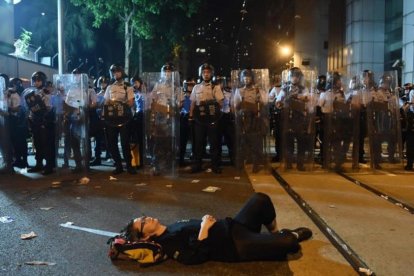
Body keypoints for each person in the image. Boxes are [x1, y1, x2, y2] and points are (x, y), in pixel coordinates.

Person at [123, 192, 312, 265]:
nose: (146, 218)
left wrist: (206, 222)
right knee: (290, 242)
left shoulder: (171, 226)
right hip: (235, 246)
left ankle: (273, 234)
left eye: (143, 216)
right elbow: (193, 258)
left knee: (260, 199)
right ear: (145, 237)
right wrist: (204, 227)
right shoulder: (168, 242)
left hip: (234, 226)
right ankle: (287, 235)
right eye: (143, 222)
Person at [189, 63, 224, 174]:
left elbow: (220, 103)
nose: (206, 74)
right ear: (201, 74)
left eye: (208, 72)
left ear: (211, 74)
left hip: (212, 118)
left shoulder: (216, 86)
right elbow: (193, 103)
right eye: (204, 72)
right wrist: (190, 116)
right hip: (199, 118)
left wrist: (210, 104)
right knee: (198, 142)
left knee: (214, 142)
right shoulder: (196, 87)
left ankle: (215, 165)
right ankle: (197, 165)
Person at [104, 64, 136, 175]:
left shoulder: (128, 86)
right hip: (112, 119)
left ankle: (129, 165)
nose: (115, 74)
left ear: (121, 72)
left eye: (117, 71)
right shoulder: (109, 87)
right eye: (113, 72)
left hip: (124, 118)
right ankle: (118, 165)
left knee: (124, 142)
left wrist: (120, 104)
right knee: (111, 143)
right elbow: (106, 102)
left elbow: (131, 102)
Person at [233, 69, 268, 173]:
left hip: (255, 119)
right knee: (243, 141)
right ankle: (241, 163)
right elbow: (236, 106)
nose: (246, 79)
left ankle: (256, 164)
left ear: (252, 79)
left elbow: (264, 102)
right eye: (244, 78)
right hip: (244, 119)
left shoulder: (258, 90)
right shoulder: (239, 91)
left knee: (256, 142)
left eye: (248, 77)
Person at [24, 71, 56, 175]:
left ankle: (49, 166)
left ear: (43, 81)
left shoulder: (46, 92)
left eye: (38, 80)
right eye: (35, 80)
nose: (36, 82)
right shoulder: (31, 92)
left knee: (47, 144)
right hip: (35, 121)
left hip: (45, 122)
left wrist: (44, 117)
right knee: (37, 144)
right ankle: (39, 164)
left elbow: (49, 107)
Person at [179, 79, 195, 166]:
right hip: (184, 118)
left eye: (192, 85)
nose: (190, 87)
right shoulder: (182, 95)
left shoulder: (196, 95)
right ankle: (181, 158)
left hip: (194, 118)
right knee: (183, 140)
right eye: (188, 85)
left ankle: (194, 157)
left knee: (195, 139)